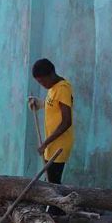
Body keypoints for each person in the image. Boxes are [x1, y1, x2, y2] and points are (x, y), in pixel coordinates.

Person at [28, 58, 74, 186]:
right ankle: (53, 206)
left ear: (51, 74)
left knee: (53, 184)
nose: (42, 84)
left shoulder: (63, 88)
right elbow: (53, 105)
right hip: (51, 144)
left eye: (42, 81)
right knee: (50, 181)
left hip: (59, 145)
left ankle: (56, 206)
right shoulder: (53, 88)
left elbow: (66, 122)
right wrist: (38, 103)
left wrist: (45, 143)